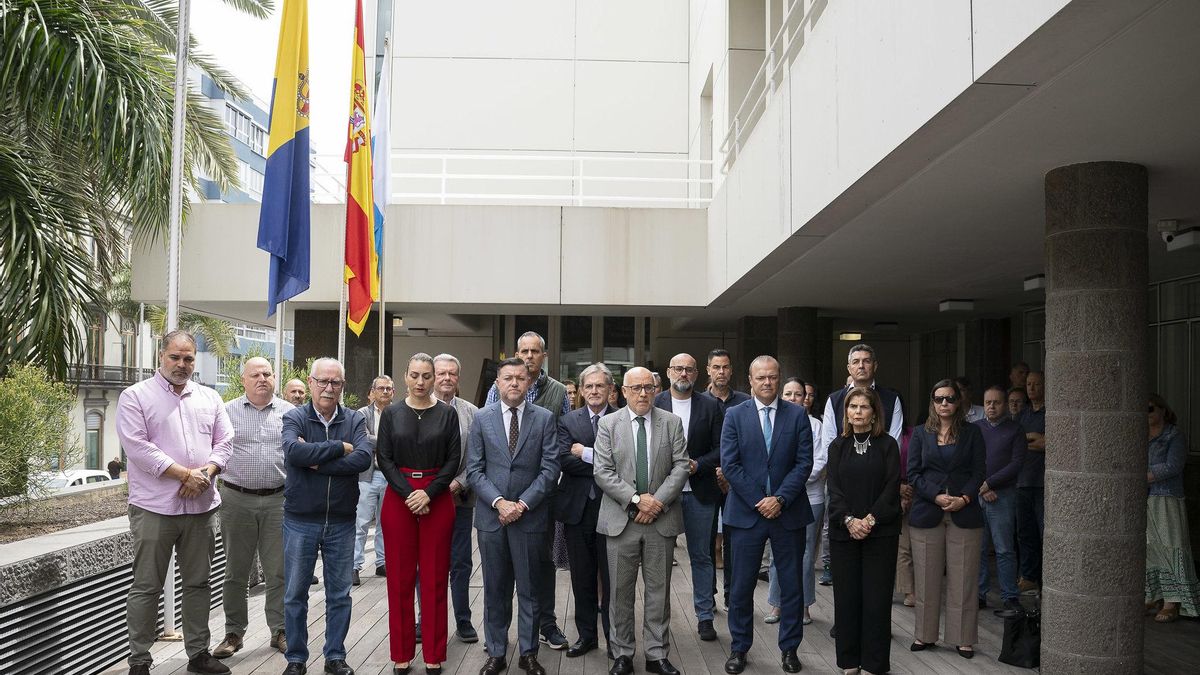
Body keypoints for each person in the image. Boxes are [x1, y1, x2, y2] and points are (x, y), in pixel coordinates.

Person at [116, 330, 233, 675]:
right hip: (154, 508)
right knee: (146, 585)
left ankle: (198, 654)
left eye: (188, 359)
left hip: (201, 506)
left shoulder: (210, 398)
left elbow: (225, 441)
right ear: (160, 356)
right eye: (175, 357)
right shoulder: (135, 396)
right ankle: (139, 659)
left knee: (198, 582)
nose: (182, 365)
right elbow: (137, 447)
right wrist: (185, 474)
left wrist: (207, 472)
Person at [467, 357, 561, 675]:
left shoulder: (545, 419)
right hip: (492, 518)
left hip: (530, 517)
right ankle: (496, 652)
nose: (514, 383)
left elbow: (550, 469)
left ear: (529, 382)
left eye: (520, 378)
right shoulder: (481, 419)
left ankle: (529, 653)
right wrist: (499, 503)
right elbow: (475, 470)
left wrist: (521, 505)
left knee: (531, 589)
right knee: (495, 587)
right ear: (498, 382)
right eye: (508, 378)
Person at [594, 367, 691, 675]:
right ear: (623, 392)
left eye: (648, 387)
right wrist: (637, 499)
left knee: (658, 592)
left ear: (655, 388)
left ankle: (656, 654)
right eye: (635, 388)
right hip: (621, 520)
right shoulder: (609, 424)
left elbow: (681, 467)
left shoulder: (671, 422)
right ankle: (622, 654)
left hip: (660, 521)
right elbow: (602, 472)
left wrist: (656, 502)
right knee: (620, 592)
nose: (643, 393)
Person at [280, 358, 373, 675]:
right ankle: (296, 658)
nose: (328, 388)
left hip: (342, 522)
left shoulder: (355, 420)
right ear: (310, 382)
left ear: (343, 386)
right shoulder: (294, 417)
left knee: (339, 594)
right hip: (300, 520)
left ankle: (335, 656)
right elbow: (294, 453)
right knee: (295, 594)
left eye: (335, 382)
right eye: (323, 381)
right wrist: (339, 447)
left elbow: (362, 459)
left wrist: (318, 460)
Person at [722, 356, 813, 675]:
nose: (767, 383)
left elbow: (804, 463)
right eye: (760, 377)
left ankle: (790, 649)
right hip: (747, 514)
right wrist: (761, 500)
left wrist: (781, 499)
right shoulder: (734, 415)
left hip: (788, 514)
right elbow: (730, 464)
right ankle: (739, 648)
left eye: (773, 377)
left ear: (779, 378)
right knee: (742, 586)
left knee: (791, 586)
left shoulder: (798, 415)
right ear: (749, 380)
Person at [484, 332, 570, 650]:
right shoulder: (499, 389)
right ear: (516, 354)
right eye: (524, 351)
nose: (530, 356)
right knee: (501, 571)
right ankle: (498, 636)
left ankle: (546, 625)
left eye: (535, 351)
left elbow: (562, 440)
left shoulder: (558, 391)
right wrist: (501, 499)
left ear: (544, 356)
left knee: (542, 566)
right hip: (499, 501)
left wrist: (530, 497)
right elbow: (490, 436)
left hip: (539, 499)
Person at [377, 354, 462, 674]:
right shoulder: (392, 413)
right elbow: (384, 459)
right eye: (415, 375)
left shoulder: (447, 414)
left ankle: (434, 652)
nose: (421, 382)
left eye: (427, 376)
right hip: (399, 496)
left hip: (437, 497)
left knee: (435, 578)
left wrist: (429, 492)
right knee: (398, 578)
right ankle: (401, 652)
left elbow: (454, 459)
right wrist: (410, 494)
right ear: (405, 377)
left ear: (434, 378)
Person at [213, 357, 294, 660]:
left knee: (279, 570)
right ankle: (234, 632)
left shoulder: (291, 412)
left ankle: (280, 629)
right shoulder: (225, 411)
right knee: (236, 571)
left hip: (279, 500)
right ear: (243, 380)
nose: (262, 379)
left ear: (275, 378)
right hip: (237, 499)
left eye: (267, 374)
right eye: (255, 375)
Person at [906, 380, 985, 658]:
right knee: (927, 577)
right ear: (932, 402)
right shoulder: (919, 434)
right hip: (928, 510)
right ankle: (925, 635)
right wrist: (937, 496)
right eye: (938, 399)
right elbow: (913, 473)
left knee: (963, 578)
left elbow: (979, 471)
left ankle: (963, 638)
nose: (944, 404)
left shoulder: (973, 433)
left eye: (949, 399)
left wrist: (963, 498)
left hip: (965, 511)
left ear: (958, 402)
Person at [827, 386, 901, 675]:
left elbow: (891, 487)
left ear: (874, 413)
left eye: (864, 407)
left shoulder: (888, 445)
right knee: (847, 599)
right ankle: (849, 662)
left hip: (880, 534)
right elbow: (833, 488)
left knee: (876, 600)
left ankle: (874, 664)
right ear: (846, 412)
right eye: (852, 407)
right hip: (844, 533)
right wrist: (849, 520)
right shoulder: (837, 446)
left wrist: (869, 520)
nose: (857, 412)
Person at [654, 353, 724, 642]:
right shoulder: (656, 402)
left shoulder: (712, 406)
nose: (683, 374)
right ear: (669, 371)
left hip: (699, 491)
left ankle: (705, 616)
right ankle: (657, 618)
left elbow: (722, 449)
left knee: (701, 556)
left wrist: (698, 464)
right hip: (661, 493)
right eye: (678, 369)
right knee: (658, 559)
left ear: (697, 374)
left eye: (689, 370)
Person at [555, 363, 619, 658]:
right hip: (577, 511)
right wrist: (606, 465)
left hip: (613, 509)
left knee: (613, 579)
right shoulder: (567, 421)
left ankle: (615, 638)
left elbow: (625, 464)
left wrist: (586, 453)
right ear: (581, 391)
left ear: (610, 390)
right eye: (589, 386)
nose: (594, 391)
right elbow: (563, 460)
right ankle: (587, 637)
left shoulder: (621, 420)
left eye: (600, 386)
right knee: (582, 578)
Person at [766, 378, 824, 626]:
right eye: (788, 393)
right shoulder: (773, 420)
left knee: (805, 556)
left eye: (798, 394)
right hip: (776, 500)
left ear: (807, 398)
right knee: (776, 556)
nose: (793, 398)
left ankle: (803, 606)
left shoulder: (816, 425)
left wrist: (790, 485)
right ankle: (777, 605)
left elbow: (818, 462)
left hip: (809, 498)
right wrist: (780, 491)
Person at [433, 353, 481, 644]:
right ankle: (426, 620)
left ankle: (463, 620)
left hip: (459, 500)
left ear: (458, 378)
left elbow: (476, 458)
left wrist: (456, 484)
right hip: (424, 503)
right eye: (441, 373)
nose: (447, 378)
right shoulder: (417, 409)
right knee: (426, 564)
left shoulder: (473, 413)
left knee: (460, 563)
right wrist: (429, 491)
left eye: (452, 373)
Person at [701, 348, 751, 608]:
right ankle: (707, 595)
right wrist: (717, 469)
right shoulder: (698, 401)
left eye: (725, 367)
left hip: (738, 483)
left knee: (734, 542)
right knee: (706, 541)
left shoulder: (744, 402)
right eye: (716, 367)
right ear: (708, 369)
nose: (721, 372)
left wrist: (730, 473)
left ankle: (733, 595)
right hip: (706, 480)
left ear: (732, 370)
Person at [1145, 394, 1200, 621]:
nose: (1146, 414)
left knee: (1172, 546)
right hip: (1145, 497)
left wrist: (1144, 476)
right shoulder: (1141, 435)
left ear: (1162, 411)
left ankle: (1173, 601)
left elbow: (1173, 466)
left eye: (1149, 409)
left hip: (1166, 497)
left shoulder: (1173, 435)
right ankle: (1152, 595)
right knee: (1150, 547)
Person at [975, 385, 1027, 618]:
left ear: (1005, 405)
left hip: (1003, 496)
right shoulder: (974, 429)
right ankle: (979, 593)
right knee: (979, 548)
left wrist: (991, 483)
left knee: (1004, 549)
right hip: (976, 494)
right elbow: (968, 462)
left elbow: (1016, 463)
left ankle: (1009, 596)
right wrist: (983, 486)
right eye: (988, 402)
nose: (992, 406)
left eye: (997, 402)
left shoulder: (1015, 430)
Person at [353, 375, 395, 586]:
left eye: (389, 389)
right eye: (381, 388)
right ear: (372, 392)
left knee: (385, 522)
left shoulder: (399, 413)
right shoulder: (362, 414)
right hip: (367, 475)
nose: (385, 392)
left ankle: (382, 562)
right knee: (361, 522)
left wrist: (380, 442)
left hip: (390, 476)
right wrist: (389, 442)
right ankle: (354, 566)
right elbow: (362, 439)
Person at [1016, 371, 1045, 594]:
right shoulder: (1022, 414)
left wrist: (1038, 440)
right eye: (1028, 384)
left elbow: (1048, 443)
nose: (1032, 388)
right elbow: (1017, 443)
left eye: (1036, 384)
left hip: (1043, 483)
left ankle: (1047, 577)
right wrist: (1033, 439)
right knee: (1025, 533)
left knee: (1044, 531)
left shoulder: (1051, 413)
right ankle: (1029, 576)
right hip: (1022, 481)